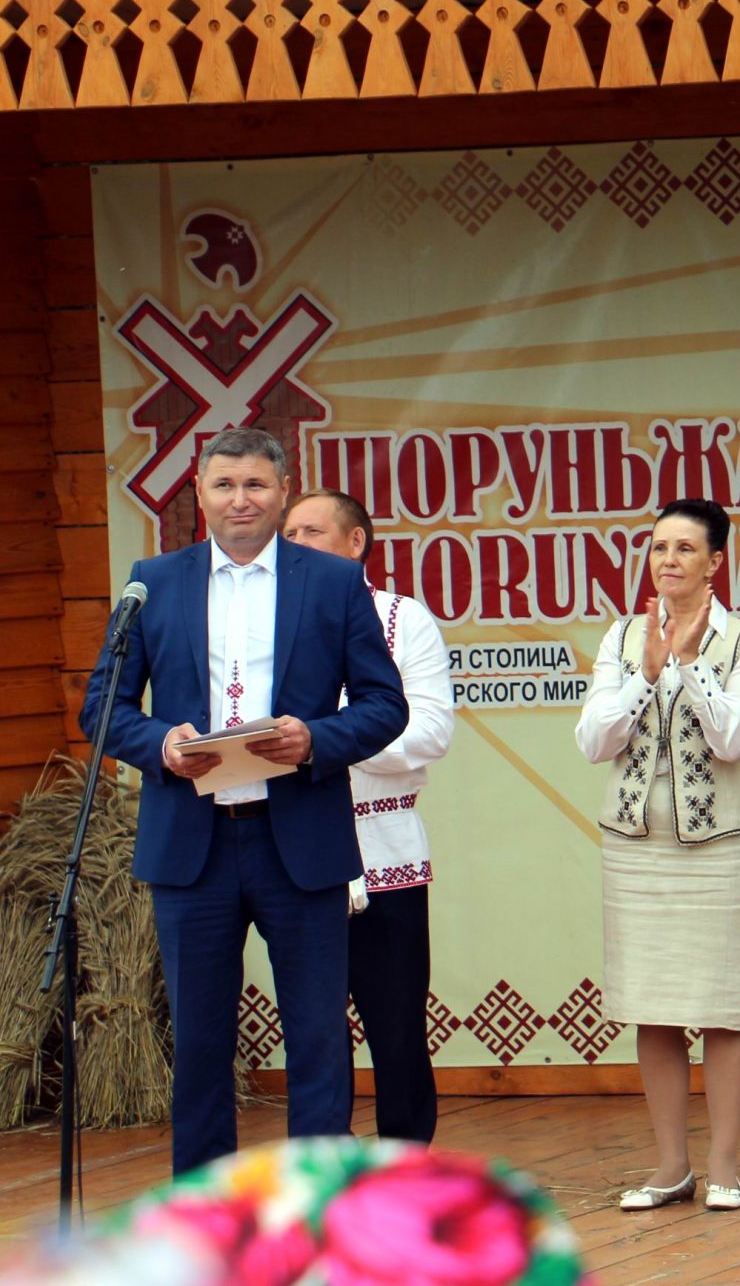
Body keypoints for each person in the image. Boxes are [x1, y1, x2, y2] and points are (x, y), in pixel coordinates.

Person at [84, 425, 409, 1174]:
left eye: (256, 484)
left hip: (300, 840)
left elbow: (384, 704)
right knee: (200, 1044)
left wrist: (315, 738)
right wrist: (161, 745)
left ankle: (315, 1204)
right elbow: (103, 706)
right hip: (191, 845)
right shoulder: (152, 581)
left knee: (318, 1038)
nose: (241, 499)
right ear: (199, 493)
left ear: (283, 491)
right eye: (225, 484)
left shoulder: (331, 582)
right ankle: (205, 1209)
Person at [573, 499, 740, 1213]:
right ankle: (670, 1165)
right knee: (652, 1006)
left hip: (715, 849)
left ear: (715, 561)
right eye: (659, 547)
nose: (668, 560)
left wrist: (688, 666)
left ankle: (724, 1165)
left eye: (685, 548)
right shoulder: (622, 635)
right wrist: (644, 673)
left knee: (721, 1006)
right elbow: (593, 741)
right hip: (634, 848)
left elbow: (736, 739)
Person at [282, 488, 456, 1145]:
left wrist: (323, 741)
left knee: (396, 1026)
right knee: (313, 1028)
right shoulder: (269, 627)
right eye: (288, 534)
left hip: (384, 847)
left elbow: (430, 730)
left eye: (311, 531)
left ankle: (405, 1169)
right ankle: (323, 1168)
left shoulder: (402, 619)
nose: (295, 544)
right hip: (294, 848)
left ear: (356, 543)